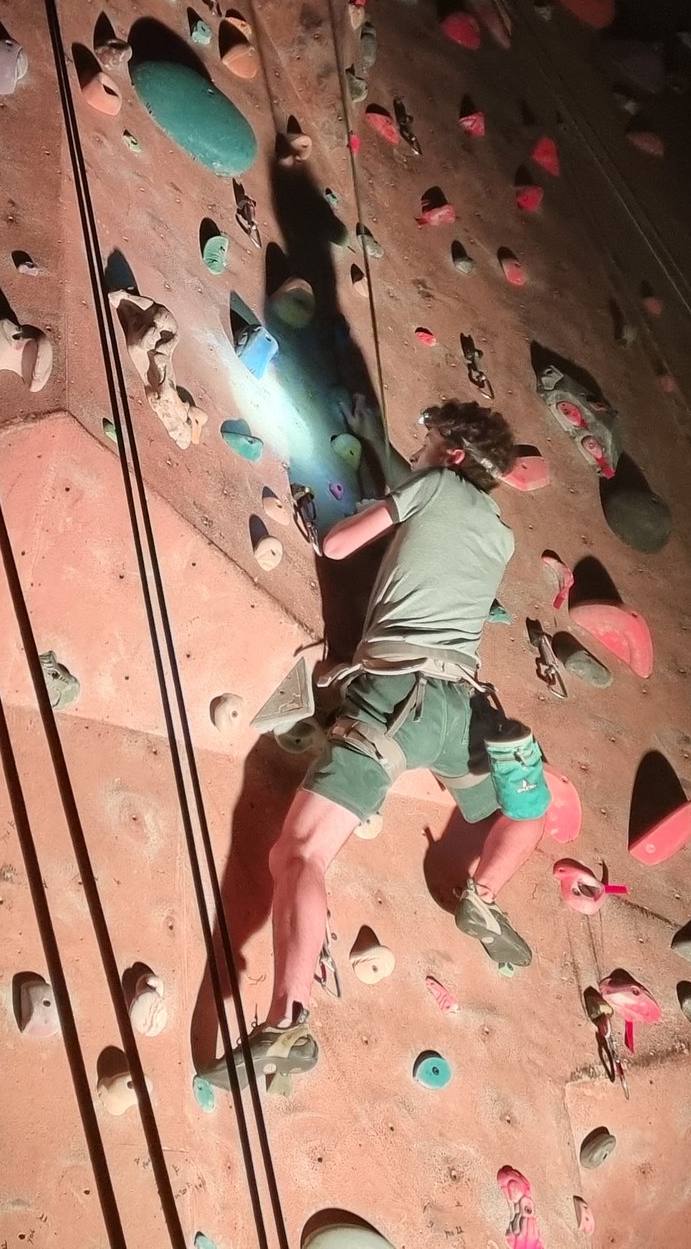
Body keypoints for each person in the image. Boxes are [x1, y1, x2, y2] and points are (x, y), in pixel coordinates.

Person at [205, 395, 549, 1100]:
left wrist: (363, 505)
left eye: (427, 446)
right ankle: (486, 890)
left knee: (296, 853)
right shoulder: (498, 532)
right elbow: (434, 510)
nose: (418, 453)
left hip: (398, 702)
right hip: (462, 710)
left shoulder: (429, 485)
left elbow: (336, 544)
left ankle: (288, 1022)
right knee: (506, 806)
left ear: (451, 455)